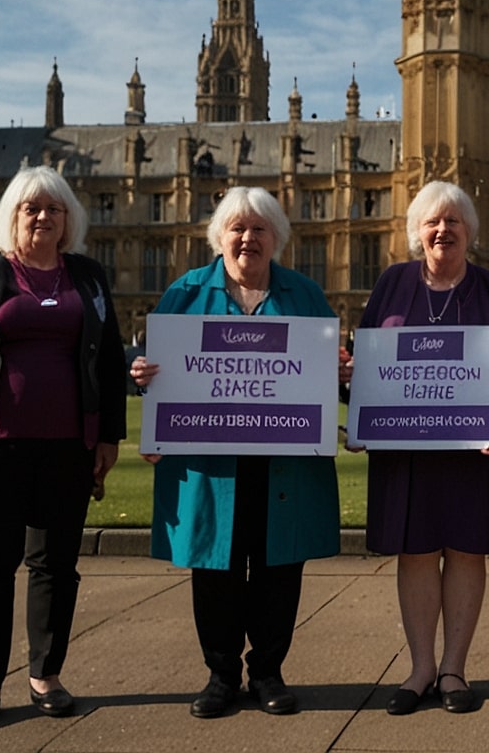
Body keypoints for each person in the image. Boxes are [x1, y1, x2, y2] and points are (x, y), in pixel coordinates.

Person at [0, 165, 127, 728]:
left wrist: (109, 433)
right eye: (30, 208)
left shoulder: (87, 275)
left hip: (68, 445)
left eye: (52, 209)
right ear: (12, 216)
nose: (41, 217)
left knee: (56, 564)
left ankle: (45, 675)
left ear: (68, 220)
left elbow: (109, 358)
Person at [129, 187, 345, 719]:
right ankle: (221, 674)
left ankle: (268, 672)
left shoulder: (303, 294)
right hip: (211, 460)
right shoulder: (185, 291)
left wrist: (339, 372)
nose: (248, 238)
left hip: (284, 460)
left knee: (279, 566)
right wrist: (142, 379)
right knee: (216, 566)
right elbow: (159, 371)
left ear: (277, 237)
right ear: (219, 236)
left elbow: (325, 373)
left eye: (260, 229)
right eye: (238, 228)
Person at [345, 181, 489, 716]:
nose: (442, 230)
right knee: (416, 550)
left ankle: (454, 669)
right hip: (408, 450)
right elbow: (368, 359)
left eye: (453, 221)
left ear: (470, 231)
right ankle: (421, 668)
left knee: (467, 549)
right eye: (432, 222)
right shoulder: (392, 284)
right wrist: (356, 400)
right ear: (416, 231)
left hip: (474, 450)